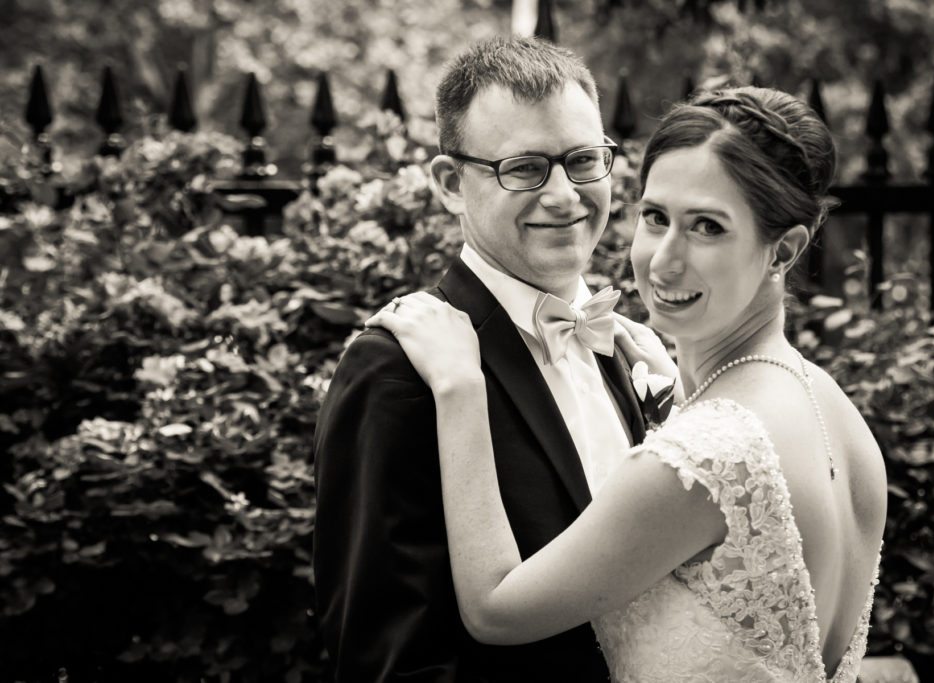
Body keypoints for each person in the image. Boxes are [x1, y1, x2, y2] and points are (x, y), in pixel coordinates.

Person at [367, 86, 889, 682]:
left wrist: (461, 391)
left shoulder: (702, 457)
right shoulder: (832, 412)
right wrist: (681, 394)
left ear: (784, 251)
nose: (664, 261)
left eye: (708, 227)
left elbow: (493, 610)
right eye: (656, 217)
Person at [313, 36, 646, 682]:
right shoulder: (396, 371)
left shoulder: (626, 346)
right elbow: (389, 662)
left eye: (582, 161)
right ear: (448, 184)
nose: (564, 195)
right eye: (524, 168)